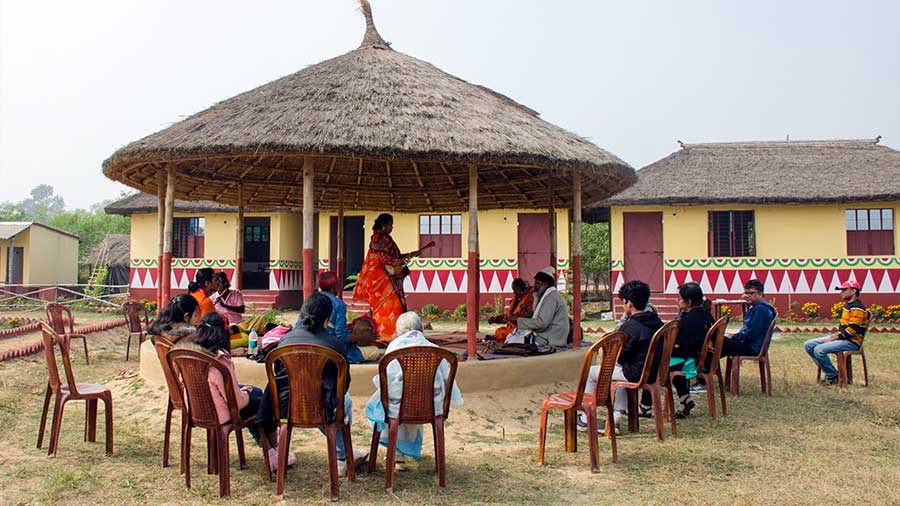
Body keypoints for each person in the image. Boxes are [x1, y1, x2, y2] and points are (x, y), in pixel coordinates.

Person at [257, 293, 367, 476]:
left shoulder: (284, 341)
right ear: (327, 319)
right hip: (322, 407)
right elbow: (344, 384)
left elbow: (280, 377)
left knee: (321, 398)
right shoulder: (335, 345)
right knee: (343, 401)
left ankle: (343, 454)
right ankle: (342, 454)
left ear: (302, 314)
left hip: (287, 409)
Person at [365, 312, 463, 470]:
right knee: (410, 396)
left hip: (398, 407)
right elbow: (447, 382)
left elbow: (385, 381)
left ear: (398, 330)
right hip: (431, 407)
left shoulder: (394, 347)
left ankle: (397, 454)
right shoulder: (435, 350)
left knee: (388, 401)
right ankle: (400, 453)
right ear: (421, 329)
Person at [579, 280, 663, 433]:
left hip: (634, 373)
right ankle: (616, 415)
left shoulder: (630, 327)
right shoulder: (658, 323)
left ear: (629, 303)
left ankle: (585, 418)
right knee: (618, 375)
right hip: (652, 373)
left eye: (623, 303)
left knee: (593, 372)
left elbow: (620, 357)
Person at [173, 312, 265, 447]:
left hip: (195, 409)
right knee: (261, 402)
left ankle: (267, 446)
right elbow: (237, 403)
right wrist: (245, 393)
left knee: (255, 392)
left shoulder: (188, 356)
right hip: (221, 414)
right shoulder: (220, 362)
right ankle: (270, 448)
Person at [352, 213, 433, 341]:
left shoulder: (378, 238)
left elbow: (392, 257)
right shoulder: (383, 240)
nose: (392, 227)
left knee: (382, 309)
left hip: (378, 281)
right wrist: (404, 261)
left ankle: (383, 335)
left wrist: (410, 255)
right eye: (390, 225)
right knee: (394, 307)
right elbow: (388, 260)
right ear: (384, 226)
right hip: (384, 280)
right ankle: (390, 336)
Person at [692, 279, 776, 393]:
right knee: (713, 346)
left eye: (752, 293)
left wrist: (734, 337)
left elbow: (751, 333)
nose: (748, 296)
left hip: (752, 347)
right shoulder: (757, 307)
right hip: (749, 344)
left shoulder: (761, 309)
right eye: (746, 293)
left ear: (760, 293)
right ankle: (705, 376)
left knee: (711, 345)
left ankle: (703, 380)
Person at [804, 280, 870, 385]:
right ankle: (832, 373)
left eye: (844, 290)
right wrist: (834, 337)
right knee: (808, 345)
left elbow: (851, 332)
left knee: (819, 349)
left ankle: (832, 376)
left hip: (851, 342)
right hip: (842, 338)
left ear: (853, 291)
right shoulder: (848, 306)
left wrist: (833, 338)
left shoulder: (857, 308)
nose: (841, 292)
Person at [667, 282, 714, 417]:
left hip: (694, 361)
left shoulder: (689, 321)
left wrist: (667, 350)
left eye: (679, 298)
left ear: (689, 302)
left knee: (661, 363)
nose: (677, 301)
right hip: (704, 358)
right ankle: (685, 401)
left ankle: (645, 405)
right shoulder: (706, 315)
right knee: (671, 364)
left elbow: (683, 347)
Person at [315, 271, 382, 364]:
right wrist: (360, 337)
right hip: (330, 349)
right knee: (374, 351)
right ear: (334, 287)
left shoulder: (311, 300)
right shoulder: (338, 304)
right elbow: (341, 336)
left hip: (311, 344)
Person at [508, 267, 569, 351]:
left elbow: (542, 323)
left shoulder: (551, 298)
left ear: (545, 284)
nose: (535, 286)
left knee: (512, 341)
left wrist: (518, 320)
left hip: (550, 340)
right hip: (546, 336)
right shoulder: (547, 296)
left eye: (537, 283)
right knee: (511, 337)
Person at [487, 278, 534, 343]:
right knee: (499, 331)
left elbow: (527, 316)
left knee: (501, 333)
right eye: (513, 290)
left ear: (522, 289)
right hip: (511, 329)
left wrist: (513, 319)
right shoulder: (516, 299)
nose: (514, 292)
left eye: (515, 290)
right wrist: (496, 319)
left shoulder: (531, 299)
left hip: (522, 330)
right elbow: (508, 316)